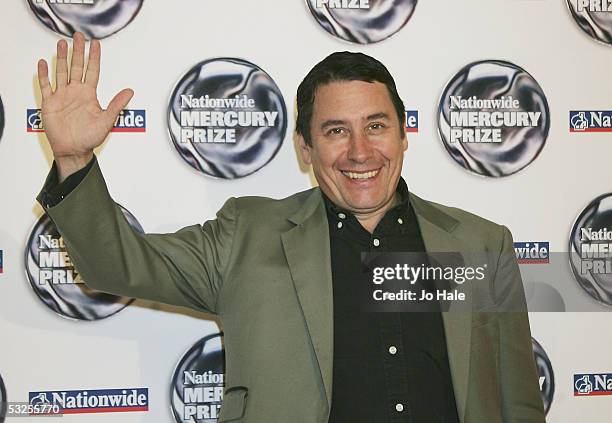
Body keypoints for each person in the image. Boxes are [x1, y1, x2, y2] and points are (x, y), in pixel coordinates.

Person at [36, 32, 546, 423]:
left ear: (404, 133)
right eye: (335, 131)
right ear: (305, 148)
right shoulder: (246, 236)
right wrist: (75, 159)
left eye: (376, 125)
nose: (361, 152)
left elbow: (518, 399)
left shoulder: (482, 244)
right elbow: (113, 265)